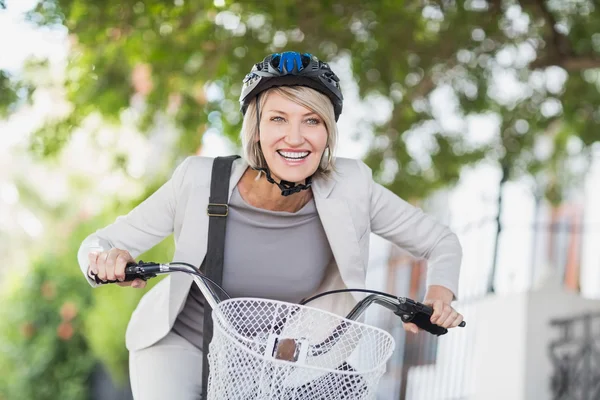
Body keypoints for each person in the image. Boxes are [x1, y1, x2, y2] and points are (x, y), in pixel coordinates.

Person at [77, 51, 464, 399]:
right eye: (278, 118)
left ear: (327, 131)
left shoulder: (352, 187)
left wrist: (439, 292)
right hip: (182, 346)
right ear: (255, 130)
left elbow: (440, 241)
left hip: (280, 362)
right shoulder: (198, 180)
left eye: (311, 120)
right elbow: (99, 242)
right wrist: (104, 259)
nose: (295, 138)